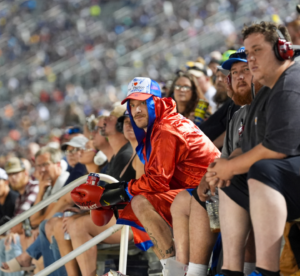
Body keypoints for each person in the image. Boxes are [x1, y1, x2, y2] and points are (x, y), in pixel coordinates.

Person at [71, 77, 220, 276]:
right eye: (132, 105)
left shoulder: (166, 129)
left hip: (210, 196)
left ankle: (174, 270)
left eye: (143, 103)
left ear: (157, 102)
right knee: (138, 201)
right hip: (195, 193)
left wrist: (113, 193)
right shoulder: (159, 127)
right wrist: (115, 195)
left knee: (140, 202)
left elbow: (157, 182)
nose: (137, 110)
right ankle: (175, 268)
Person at [206, 21, 300, 276]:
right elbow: (248, 146)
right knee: (232, 178)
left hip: (286, 175)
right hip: (288, 181)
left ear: (283, 50)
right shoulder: (266, 92)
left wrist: (231, 165)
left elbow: (277, 149)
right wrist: (220, 169)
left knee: (262, 169)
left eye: (257, 51)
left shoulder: (292, 82)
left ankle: (268, 272)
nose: (251, 59)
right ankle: (231, 271)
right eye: (248, 53)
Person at [170, 47, 261, 276]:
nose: (238, 76)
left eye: (246, 70)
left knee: (234, 192)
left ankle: (242, 271)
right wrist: (209, 175)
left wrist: (215, 174)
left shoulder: (267, 105)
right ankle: (189, 272)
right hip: (237, 181)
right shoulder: (238, 113)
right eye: (234, 72)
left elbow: (253, 150)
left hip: (263, 182)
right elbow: (226, 154)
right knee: (187, 198)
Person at [45, 114, 142, 276]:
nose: (128, 126)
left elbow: (137, 192)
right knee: (61, 223)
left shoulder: (132, 153)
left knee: (76, 225)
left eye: (132, 122)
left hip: (135, 220)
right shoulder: (124, 155)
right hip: (122, 216)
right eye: (125, 123)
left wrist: (98, 202)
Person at [1, 147, 69, 275]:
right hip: (50, 229)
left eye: (45, 164)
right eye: (38, 166)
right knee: (39, 231)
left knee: (38, 232)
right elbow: (33, 219)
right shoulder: (46, 185)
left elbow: (38, 219)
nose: (41, 169)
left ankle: (25, 259)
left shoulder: (64, 180)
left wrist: (37, 223)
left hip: (64, 227)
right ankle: (25, 260)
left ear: (58, 164)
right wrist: (41, 190)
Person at [102, 104, 133, 180]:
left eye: (111, 118)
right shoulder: (116, 156)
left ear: (120, 125)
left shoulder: (125, 155)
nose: (104, 121)